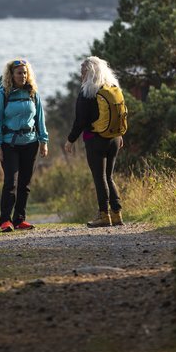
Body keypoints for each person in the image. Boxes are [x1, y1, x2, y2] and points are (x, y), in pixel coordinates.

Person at [63, 56, 125, 227]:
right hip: (114, 139)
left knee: (99, 177)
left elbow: (80, 121)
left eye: (82, 71)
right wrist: (119, 135)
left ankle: (104, 215)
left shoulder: (88, 92)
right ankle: (117, 214)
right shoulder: (112, 87)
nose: (80, 75)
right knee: (109, 176)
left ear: (89, 72)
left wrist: (70, 140)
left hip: (96, 139)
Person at [0, 59, 49, 232]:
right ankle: (5, 221)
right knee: (11, 182)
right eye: (19, 73)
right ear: (11, 75)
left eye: (25, 73)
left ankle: (19, 219)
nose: (22, 76)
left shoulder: (33, 93)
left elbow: (40, 119)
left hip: (30, 143)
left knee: (25, 184)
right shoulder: (4, 94)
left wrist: (43, 141)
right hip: (9, 145)